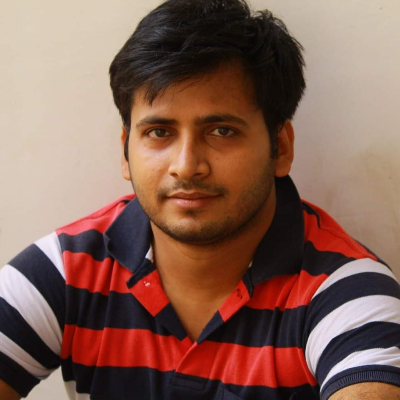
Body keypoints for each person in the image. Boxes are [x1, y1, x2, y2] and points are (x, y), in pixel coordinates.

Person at [1, 0, 400, 399]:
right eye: (159, 132)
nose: (186, 166)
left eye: (221, 131)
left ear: (280, 147)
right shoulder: (67, 268)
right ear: (126, 150)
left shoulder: (348, 293)